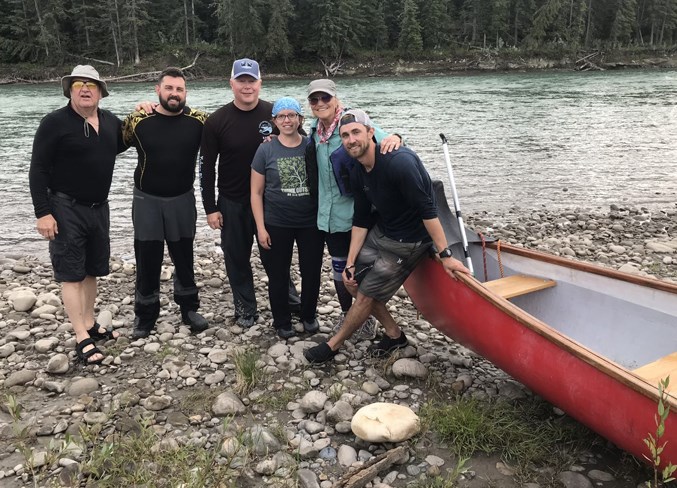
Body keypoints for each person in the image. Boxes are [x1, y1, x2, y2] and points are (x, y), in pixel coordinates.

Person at [303, 110, 470, 365]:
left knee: (367, 295)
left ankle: (332, 345)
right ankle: (395, 336)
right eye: (345, 135)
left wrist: (445, 255)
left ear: (371, 133)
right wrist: (349, 263)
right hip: (383, 231)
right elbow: (360, 219)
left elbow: (428, 210)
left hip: (410, 241)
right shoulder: (357, 168)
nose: (350, 140)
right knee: (353, 281)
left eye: (356, 132)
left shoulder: (398, 162)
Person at [29, 65, 126, 365]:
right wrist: (43, 213)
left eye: (91, 85)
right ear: (69, 90)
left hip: (99, 208)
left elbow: (135, 138)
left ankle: (89, 322)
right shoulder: (54, 123)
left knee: (92, 270)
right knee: (71, 273)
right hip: (64, 207)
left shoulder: (110, 122)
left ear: (100, 91)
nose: (85, 89)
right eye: (78, 84)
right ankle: (81, 336)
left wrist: (145, 111)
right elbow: (38, 169)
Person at [200, 58, 300, 329]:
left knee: (275, 256)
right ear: (232, 83)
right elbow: (206, 167)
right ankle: (245, 307)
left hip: (271, 202)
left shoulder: (277, 115)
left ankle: (289, 300)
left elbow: (302, 146)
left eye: (251, 81)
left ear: (260, 83)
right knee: (236, 258)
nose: (247, 86)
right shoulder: (216, 121)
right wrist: (210, 207)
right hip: (232, 202)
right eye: (241, 81)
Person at [305, 79, 401, 340]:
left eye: (325, 98)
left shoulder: (350, 126)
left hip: (358, 216)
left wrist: (396, 137)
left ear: (335, 99)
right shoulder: (314, 131)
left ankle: (368, 320)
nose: (320, 103)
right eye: (315, 100)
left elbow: (383, 141)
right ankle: (348, 313)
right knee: (339, 270)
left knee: (360, 273)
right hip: (328, 217)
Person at [121, 67, 209, 339]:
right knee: (147, 257)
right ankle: (145, 315)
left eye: (179, 89)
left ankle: (189, 308)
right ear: (157, 90)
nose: (174, 94)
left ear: (185, 93)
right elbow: (107, 145)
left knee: (184, 255)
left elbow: (231, 134)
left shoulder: (200, 121)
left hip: (182, 198)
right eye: (169, 88)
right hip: (146, 199)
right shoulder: (138, 120)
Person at [251, 97, 324, 339]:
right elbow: (256, 192)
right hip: (276, 222)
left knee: (311, 271)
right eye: (281, 116)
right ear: (274, 121)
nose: (287, 120)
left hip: (310, 223)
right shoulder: (266, 149)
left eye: (292, 115)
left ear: (300, 119)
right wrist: (260, 228)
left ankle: (309, 315)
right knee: (278, 274)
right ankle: (281, 321)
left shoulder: (311, 145)